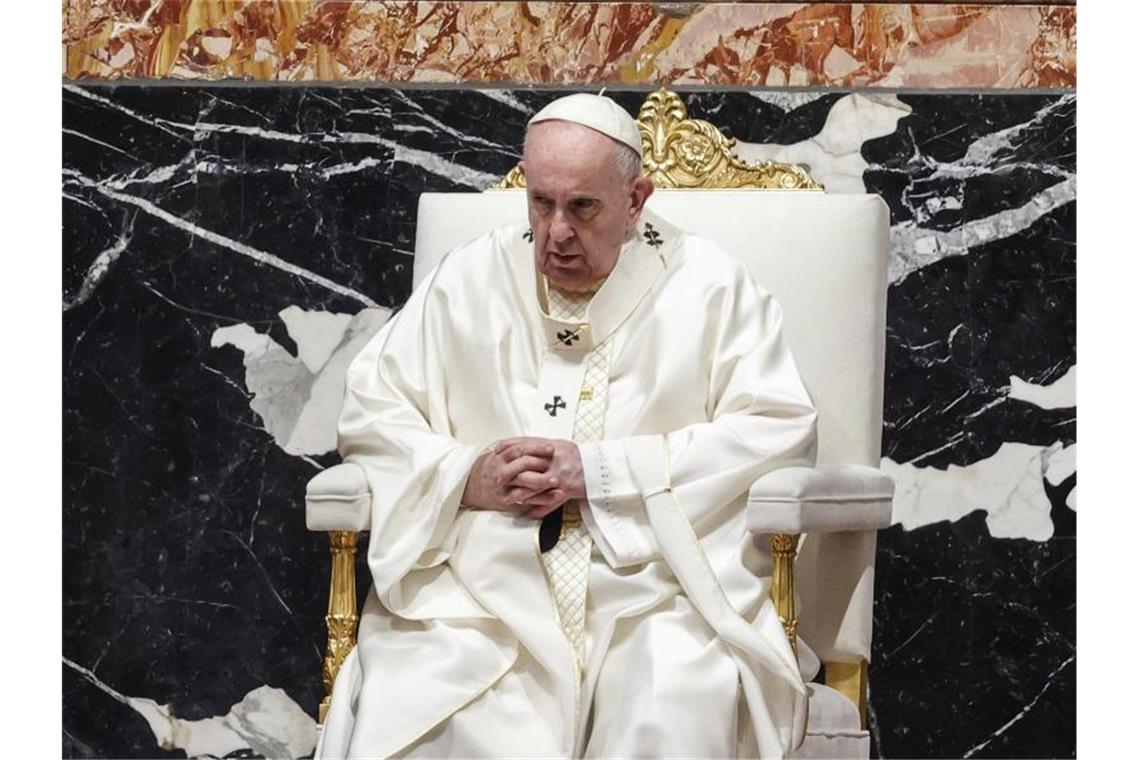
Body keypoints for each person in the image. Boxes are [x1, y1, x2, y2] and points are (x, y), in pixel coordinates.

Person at [316, 93, 819, 759]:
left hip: (653, 588)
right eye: (540, 202)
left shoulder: (711, 288)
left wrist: (601, 472)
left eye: (583, 207)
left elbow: (775, 426)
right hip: (482, 586)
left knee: (670, 702)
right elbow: (374, 411)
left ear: (637, 198)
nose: (555, 231)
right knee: (430, 704)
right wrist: (468, 476)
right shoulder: (468, 278)